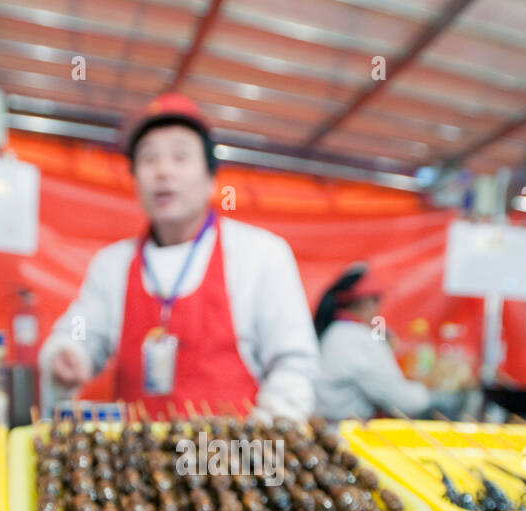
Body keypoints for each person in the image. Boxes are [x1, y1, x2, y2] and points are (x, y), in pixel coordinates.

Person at [37, 94, 319, 419]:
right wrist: (68, 354)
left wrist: (260, 439)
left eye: (180, 157)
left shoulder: (261, 255)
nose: (163, 171)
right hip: (137, 457)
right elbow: (81, 331)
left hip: (229, 460)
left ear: (212, 178)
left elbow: (294, 365)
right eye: (149, 158)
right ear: (134, 179)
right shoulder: (112, 264)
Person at [312, 263, 463, 420]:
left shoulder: (338, 332)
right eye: (377, 300)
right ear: (366, 302)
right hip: (346, 434)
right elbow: (398, 397)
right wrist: (433, 398)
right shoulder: (355, 338)